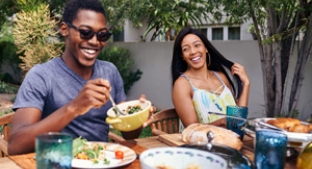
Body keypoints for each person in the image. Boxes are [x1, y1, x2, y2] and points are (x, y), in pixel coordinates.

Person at [8, 0, 151, 155]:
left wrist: (138, 119)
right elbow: (16, 145)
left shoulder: (109, 71)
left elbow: (127, 133)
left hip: (101, 161)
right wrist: (74, 107)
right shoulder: (41, 76)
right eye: (85, 32)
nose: (94, 42)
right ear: (64, 29)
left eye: (102, 35)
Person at [171, 26, 250, 131]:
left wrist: (246, 84)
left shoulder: (221, 77)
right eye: (186, 49)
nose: (193, 51)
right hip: (199, 146)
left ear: (206, 48)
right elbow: (193, 129)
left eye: (197, 45)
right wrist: (222, 121)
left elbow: (237, 119)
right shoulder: (182, 85)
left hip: (228, 142)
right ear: (182, 55)